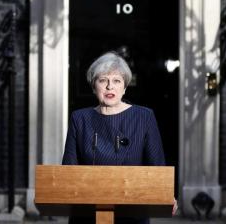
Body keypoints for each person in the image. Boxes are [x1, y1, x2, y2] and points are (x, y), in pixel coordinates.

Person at [62, 52, 177, 224]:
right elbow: (68, 171)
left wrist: (166, 194)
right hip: (86, 214)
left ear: (124, 87)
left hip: (132, 213)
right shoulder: (79, 119)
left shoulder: (144, 117)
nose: (110, 87)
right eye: (102, 80)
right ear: (94, 87)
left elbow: (157, 167)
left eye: (117, 81)